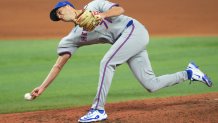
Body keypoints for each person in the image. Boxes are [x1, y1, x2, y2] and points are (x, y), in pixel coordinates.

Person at [31, 0, 212, 122]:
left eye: (60, 12)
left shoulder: (94, 4)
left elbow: (120, 9)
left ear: (69, 6)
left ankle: (98, 109)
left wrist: (102, 15)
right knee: (151, 84)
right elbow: (58, 64)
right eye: (58, 17)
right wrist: (42, 87)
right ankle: (189, 73)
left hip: (134, 30)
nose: (60, 16)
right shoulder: (73, 37)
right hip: (127, 43)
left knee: (106, 62)